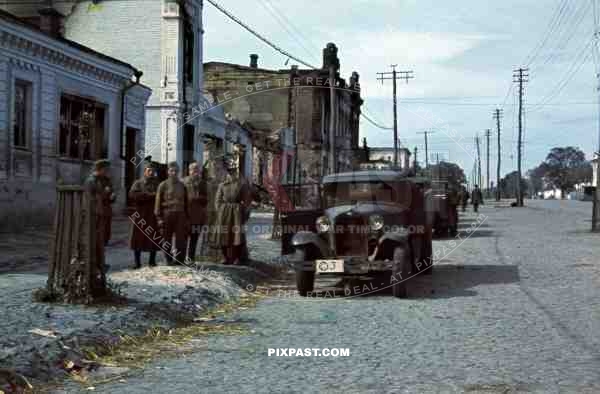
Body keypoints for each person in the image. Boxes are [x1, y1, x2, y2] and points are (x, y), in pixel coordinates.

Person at [210, 156, 251, 265]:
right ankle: (226, 258)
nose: (231, 174)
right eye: (229, 172)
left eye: (233, 172)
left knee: (237, 236)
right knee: (223, 235)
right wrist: (220, 211)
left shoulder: (241, 184)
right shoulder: (222, 185)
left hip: (237, 213)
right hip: (224, 213)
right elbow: (217, 200)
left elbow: (247, 200)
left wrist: (244, 212)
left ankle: (237, 258)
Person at [84, 159, 114, 290]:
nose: (108, 171)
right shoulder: (91, 181)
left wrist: (112, 196)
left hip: (105, 214)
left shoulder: (106, 180)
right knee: (95, 239)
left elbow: (109, 194)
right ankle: (94, 264)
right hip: (94, 215)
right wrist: (105, 193)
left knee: (105, 238)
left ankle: (100, 262)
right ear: (100, 169)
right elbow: (90, 198)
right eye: (106, 169)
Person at [155, 162, 189, 265]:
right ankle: (168, 259)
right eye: (171, 171)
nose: (174, 173)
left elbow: (186, 202)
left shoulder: (182, 185)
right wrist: (159, 217)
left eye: (176, 171)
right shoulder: (163, 185)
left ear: (178, 172)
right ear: (168, 172)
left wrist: (187, 217)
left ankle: (180, 259)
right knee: (166, 238)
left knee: (180, 239)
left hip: (180, 214)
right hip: (167, 214)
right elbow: (158, 201)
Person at [128, 162, 161, 269]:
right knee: (138, 238)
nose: (151, 173)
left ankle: (152, 261)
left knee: (153, 237)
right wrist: (148, 195)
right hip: (140, 214)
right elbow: (132, 195)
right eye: (149, 170)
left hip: (152, 214)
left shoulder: (157, 184)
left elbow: (161, 196)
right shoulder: (138, 183)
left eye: (152, 171)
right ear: (145, 172)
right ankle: (137, 262)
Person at [183, 161, 209, 263]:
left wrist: (199, 198)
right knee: (183, 238)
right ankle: (180, 258)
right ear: (189, 171)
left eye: (197, 170)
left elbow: (208, 198)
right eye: (193, 170)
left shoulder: (203, 183)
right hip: (185, 215)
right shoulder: (183, 182)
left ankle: (191, 258)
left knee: (194, 238)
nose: (195, 172)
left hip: (198, 216)